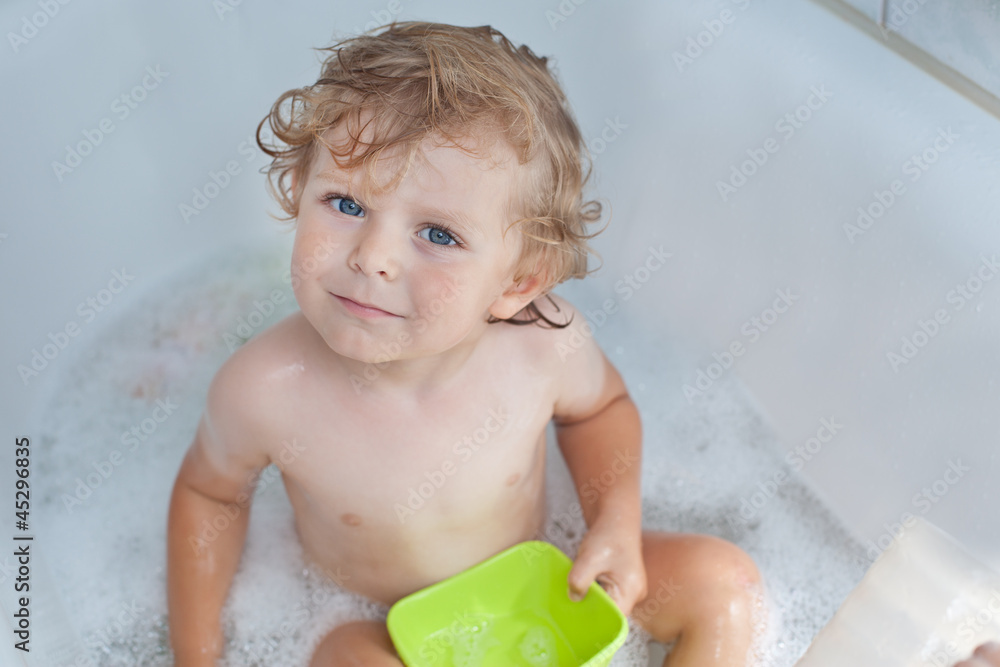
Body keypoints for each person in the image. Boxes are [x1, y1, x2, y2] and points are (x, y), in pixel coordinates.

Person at [166, 21, 764, 666]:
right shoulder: (266, 387)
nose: (374, 258)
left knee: (724, 585)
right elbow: (209, 495)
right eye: (344, 204)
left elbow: (601, 409)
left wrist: (613, 525)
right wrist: (198, 655)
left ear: (518, 283)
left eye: (439, 235)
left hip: (545, 589)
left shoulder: (541, 348)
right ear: (295, 191)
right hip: (383, 625)